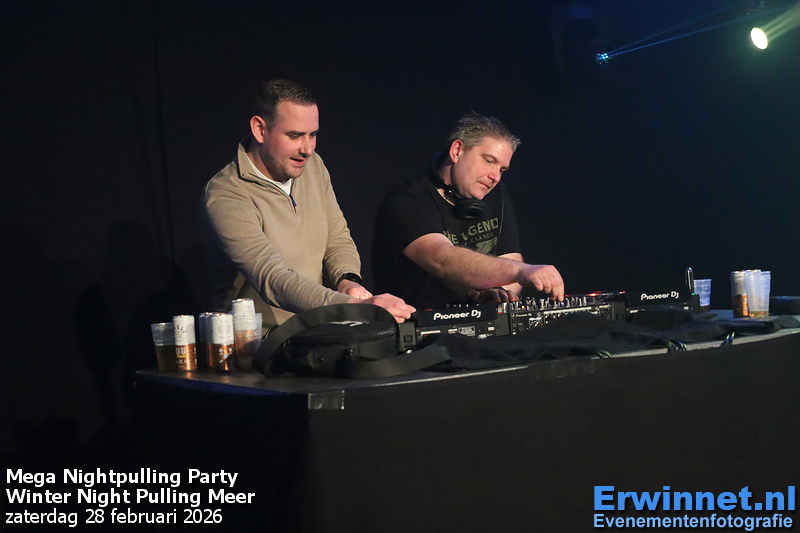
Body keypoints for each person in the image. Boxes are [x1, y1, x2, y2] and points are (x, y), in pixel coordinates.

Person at [200, 78, 414, 328]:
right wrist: (355, 307)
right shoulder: (226, 194)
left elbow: (336, 237)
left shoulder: (313, 166)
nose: (308, 149)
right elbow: (273, 279)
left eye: (313, 135)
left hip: (312, 332)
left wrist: (347, 280)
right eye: (295, 135)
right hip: (257, 343)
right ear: (260, 129)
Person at [372, 113, 564, 309]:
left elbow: (510, 257)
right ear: (457, 151)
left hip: (479, 319)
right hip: (418, 321)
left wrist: (499, 291)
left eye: (502, 169)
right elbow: (442, 259)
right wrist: (521, 271)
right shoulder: (406, 200)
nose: (496, 177)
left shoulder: (496, 194)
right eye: (489, 161)